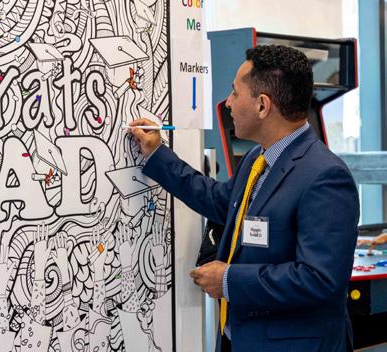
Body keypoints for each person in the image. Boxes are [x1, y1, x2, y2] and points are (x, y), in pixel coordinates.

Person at [128, 45, 359, 352]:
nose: (228, 104)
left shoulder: (325, 177)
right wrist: (158, 153)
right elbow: (217, 200)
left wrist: (229, 280)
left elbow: (319, 279)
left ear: (263, 105)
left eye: (235, 93)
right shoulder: (256, 160)